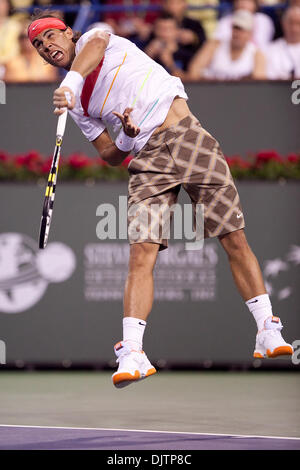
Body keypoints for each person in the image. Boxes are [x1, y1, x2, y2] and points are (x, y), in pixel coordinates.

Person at [28, 10, 294, 388]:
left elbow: (94, 49)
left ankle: (267, 328)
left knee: (232, 236)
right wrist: (125, 134)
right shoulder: (77, 105)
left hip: (186, 135)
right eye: (38, 45)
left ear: (69, 33)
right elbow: (109, 153)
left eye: (50, 37)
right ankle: (133, 352)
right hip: (147, 159)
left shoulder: (97, 38)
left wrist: (70, 82)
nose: (46, 47)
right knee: (141, 253)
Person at [187, 10, 266, 80]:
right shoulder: (214, 46)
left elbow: (258, 84)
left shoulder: (257, 54)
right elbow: (194, 71)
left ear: (250, 33)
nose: (237, 34)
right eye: (235, 28)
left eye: (242, 30)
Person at [264, 6, 300, 79]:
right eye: (290, 22)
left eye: (298, 23)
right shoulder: (270, 50)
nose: (294, 28)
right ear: (283, 23)